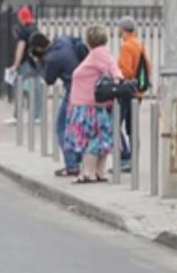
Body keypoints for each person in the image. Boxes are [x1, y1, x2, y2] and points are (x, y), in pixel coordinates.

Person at [64, 25, 122, 183]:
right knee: (100, 139)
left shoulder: (98, 54)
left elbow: (114, 71)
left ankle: (88, 173)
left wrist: (117, 81)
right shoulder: (100, 54)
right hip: (92, 104)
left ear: (89, 40)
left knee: (91, 139)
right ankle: (99, 172)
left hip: (89, 105)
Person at [28, 31, 87, 177]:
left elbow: (49, 79)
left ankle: (71, 165)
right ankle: (79, 159)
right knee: (78, 126)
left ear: (39, 48)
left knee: (62, 127)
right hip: (85, 85)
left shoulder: (52, 58)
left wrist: (38, 62)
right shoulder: (63, 40)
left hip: (74, 91)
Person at [116, 16, 152, 172]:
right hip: (138, 91)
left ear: (122, 29)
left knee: (115, 123)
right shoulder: (139, 43)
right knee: (132, 126)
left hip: (127, 90)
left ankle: (125, 158)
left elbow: (126, 71)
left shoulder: (127, 46)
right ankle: (134, 158)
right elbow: (148, 66)